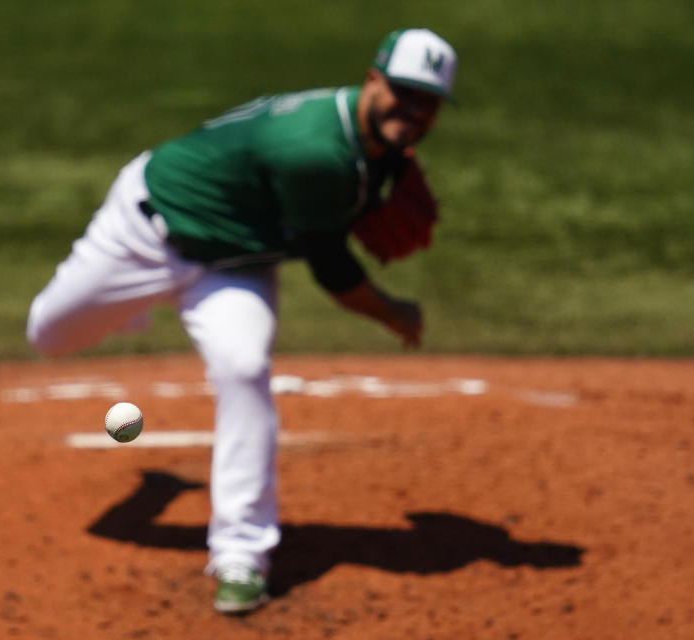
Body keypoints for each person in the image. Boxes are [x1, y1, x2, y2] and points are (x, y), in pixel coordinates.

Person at [26, 27, 458, 614]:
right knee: (49, 335)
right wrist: (394, 312)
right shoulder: (316, 150)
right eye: (403, 92)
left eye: (427, 101)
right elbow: (332, 269)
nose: (412, 110)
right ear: (373, 80)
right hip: (147, 232)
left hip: (232, 266)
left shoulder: (377, 151)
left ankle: (241, 555)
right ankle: (128, 308)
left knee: (245, 367)